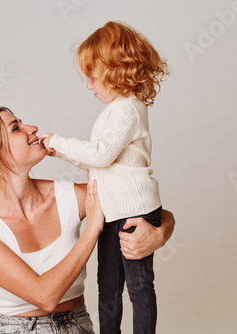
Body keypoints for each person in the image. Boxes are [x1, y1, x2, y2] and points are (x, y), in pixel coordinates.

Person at [0, 106, 175, 333]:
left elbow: (142, 204)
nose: (33, 129)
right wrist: (92, 230)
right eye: (16, 128)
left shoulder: (67, 196)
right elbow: (45, 296)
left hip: (78, 325)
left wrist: (161, 232)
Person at [40, 21, 169, 334]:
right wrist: (59, 152)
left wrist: (57, 141)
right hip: (111, 211)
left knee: (138, 287)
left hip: (134, 211)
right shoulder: (114, 110)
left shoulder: (128, 108)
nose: (88, 85)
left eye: (92, 76)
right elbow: (98, 159)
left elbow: (100, 155)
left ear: (117, 70)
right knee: (108, 285)